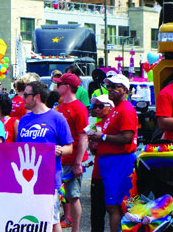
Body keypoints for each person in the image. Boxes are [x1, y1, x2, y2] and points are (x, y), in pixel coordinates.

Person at [16, 81, 73, 232]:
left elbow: (70, 147)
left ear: (37, 97)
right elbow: (18, 149)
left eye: (26, 95)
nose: (23, 98)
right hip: (26, 180)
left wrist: (60, 150)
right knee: (28, 220)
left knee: (52, 221)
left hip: (48, 180)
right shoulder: (23, 120)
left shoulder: (57, 118)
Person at [88, 74, 138, 232]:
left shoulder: (126, 109)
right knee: (112, 206)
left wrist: (102, 137)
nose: (110, 90)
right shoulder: (116, 109)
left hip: (119, 163)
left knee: (115, 206)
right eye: (108, 86)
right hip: (109, 163)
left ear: (124, 89)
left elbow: (127, 138)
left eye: (114, 87)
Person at [53, 73, 89, 231]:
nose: (56, 87)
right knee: (63, 196)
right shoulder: (61, 106)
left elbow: (83, 137)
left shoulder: (79, 108)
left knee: (73, 196)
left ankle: (76, 229)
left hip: (72, 160)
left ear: (67, 87)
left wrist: (78, 163)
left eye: (59, 84)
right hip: (61, 160)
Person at [88, 94, 114, 232]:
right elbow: (94, 152)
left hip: (114, 171)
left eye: (100, 106)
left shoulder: (114, 124)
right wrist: (92, 143)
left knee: (114, 209)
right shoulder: (95, 125)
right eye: (94, 106)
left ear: (111, 108)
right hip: (98, 171)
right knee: (97, 211)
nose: (96, 109)